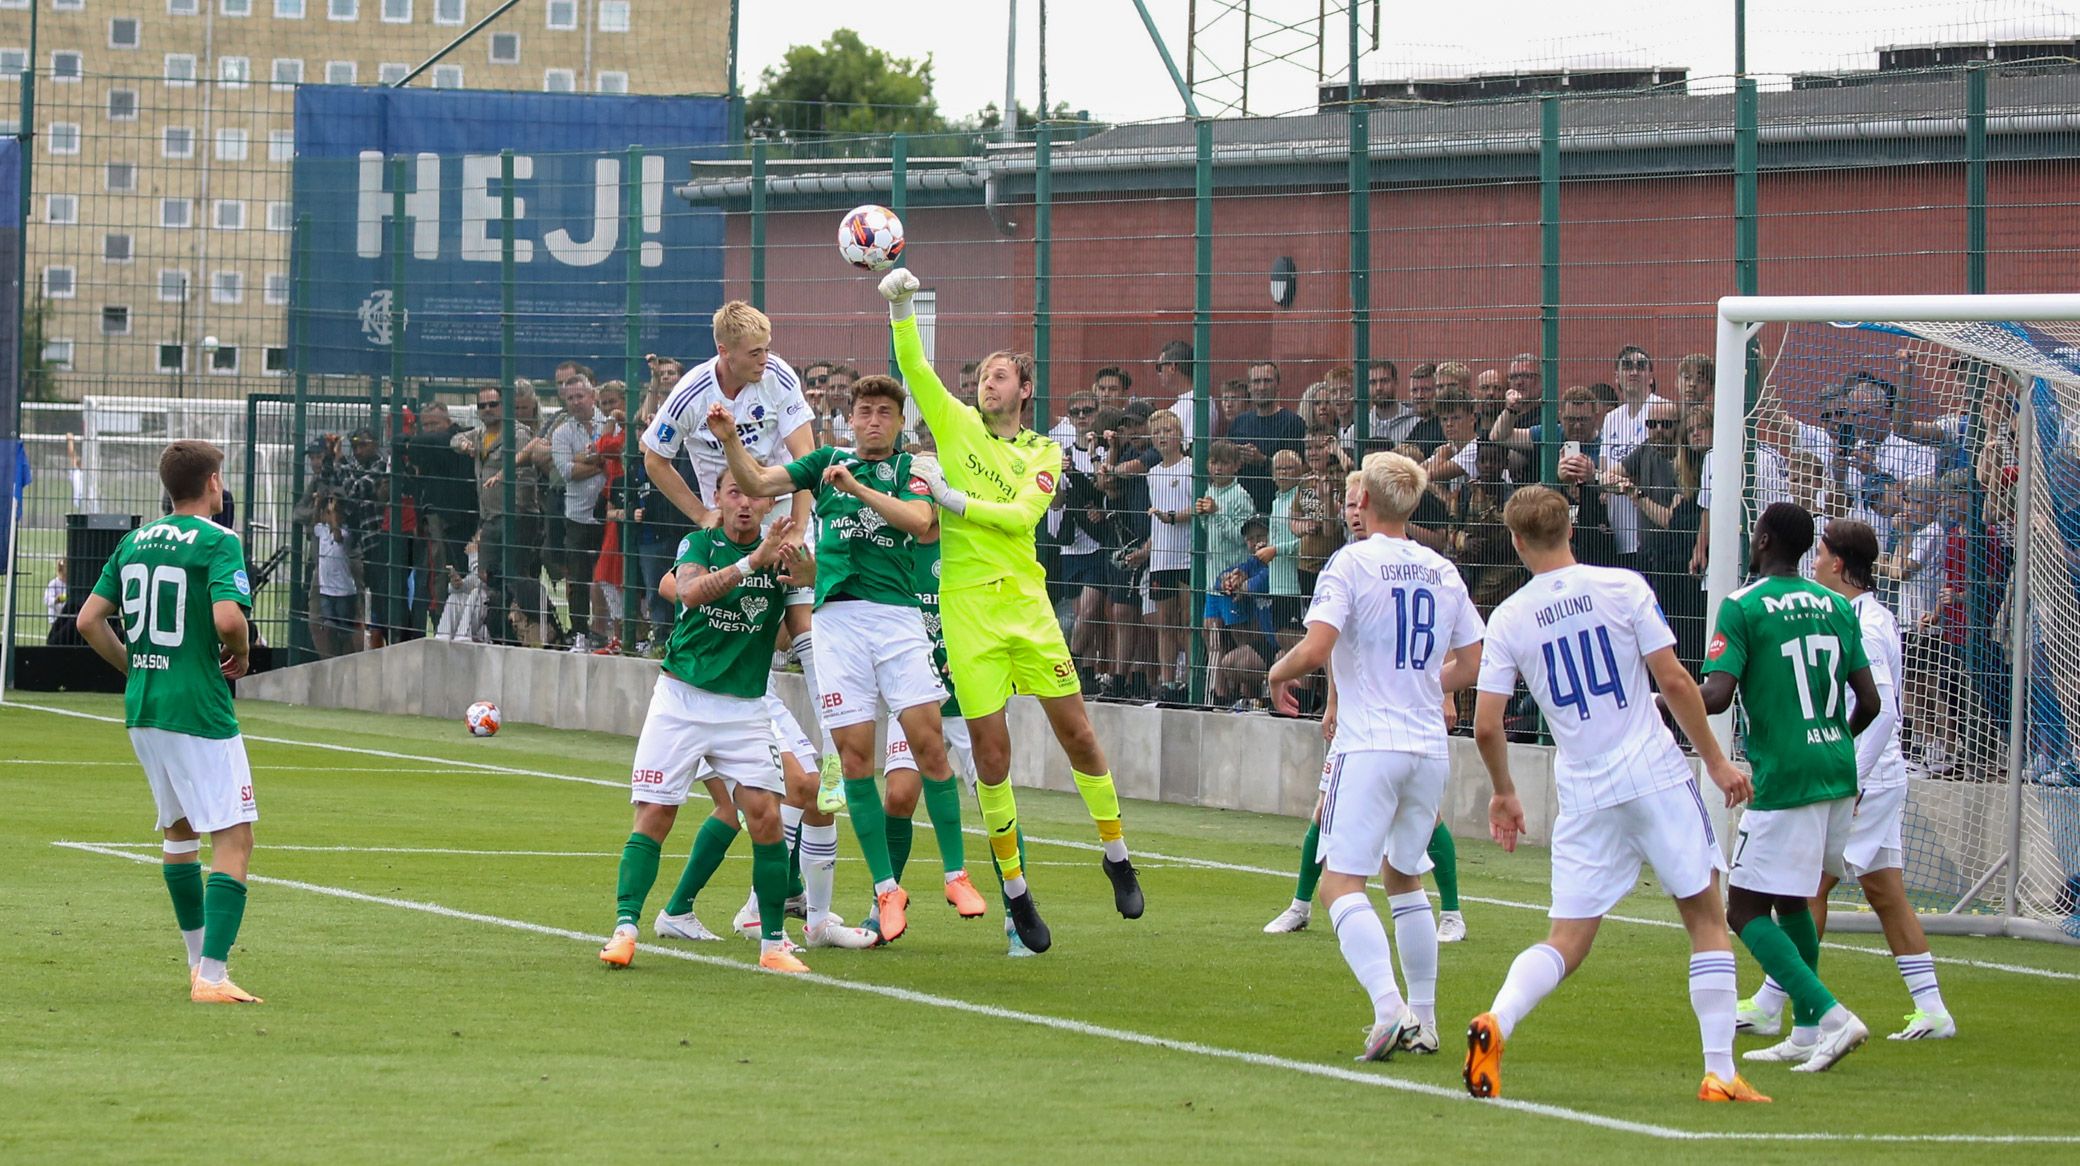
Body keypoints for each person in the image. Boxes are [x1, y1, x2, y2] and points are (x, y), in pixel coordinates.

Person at [1462, 486, 1767, 1103]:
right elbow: (1676, 680)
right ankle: (1720, 1073)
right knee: (1706, 918)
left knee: (1566, 939)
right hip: (1651, 770)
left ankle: (1497, 1021)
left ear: (1516, 542)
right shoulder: (1623, 586)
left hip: (1583, 783)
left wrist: (1504, 793)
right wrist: (1715, 759)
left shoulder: (1510, 616)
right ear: (1571, 527)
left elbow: (1487, 724)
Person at [882, 267, 1144, 953]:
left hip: (1027, 607)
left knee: (1078, 735)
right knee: (992, 758)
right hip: (968, 610)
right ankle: (1018, 893)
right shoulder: (957, 424)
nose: (986, 384)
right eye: (983, 376)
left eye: (1001, 376)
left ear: (1025, 390)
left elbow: (1024, 514)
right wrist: (904, 305)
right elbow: (913, 366)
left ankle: (1116, 855)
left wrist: (950, 497)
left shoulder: (1044, 449)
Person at [711, 374, 963, 945]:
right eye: (864, 411)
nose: (873, 420)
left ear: (901, 423)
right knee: (848, 768)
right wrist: (729, 440)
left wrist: (855, 488)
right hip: (837, 629)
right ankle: (864, 899)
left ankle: (972, 882)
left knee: (932, 758)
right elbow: (757, 479)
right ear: (850, 419)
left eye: (884, 413)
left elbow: (922, 522)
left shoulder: (911, 470)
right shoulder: (826, 463)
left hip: (900, 629)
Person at [1265, 451, 1484, 1061]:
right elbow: (1471, 663)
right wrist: (1420, 686)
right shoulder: (1442, 570)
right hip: (1427, 748)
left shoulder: (1351, 562)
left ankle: (1389, 1010)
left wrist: (1275, 673)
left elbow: (1317, 649)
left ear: (1363, 503)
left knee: (1339, 885)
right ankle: (1427, 1020)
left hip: (1370, 745)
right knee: (1405, 877)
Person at [1736, 519, 1956, 1042]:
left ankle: (1782, 1004)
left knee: (1806, 886)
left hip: (1863, 779)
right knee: (1885, 892)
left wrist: (1851, 779)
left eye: (1821, 556)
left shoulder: (1868, 624)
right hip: (1874, 777)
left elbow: (1880, 712)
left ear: (1837, 563)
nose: (1814, 564)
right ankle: (1933, 1009)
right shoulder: (1859, 614)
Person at [597, 481, 814, 974]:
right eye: (733, 493)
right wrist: (750, 564)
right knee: (656, 814)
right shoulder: (701, 544)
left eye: (754, 495)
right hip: (681, 699)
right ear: (719, 499)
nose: (743, 503)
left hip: (744, 706)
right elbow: (691, 592)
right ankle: (625, 930)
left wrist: (809, 583)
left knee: (765, 816)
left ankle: (774, 945)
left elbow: (788, 635)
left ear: (769, 503)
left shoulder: (786, 556)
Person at [75, 440, 262, 1004]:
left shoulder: (134, 540)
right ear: (211, 483)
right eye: (221, 478)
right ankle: (211, 975)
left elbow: (88, 620)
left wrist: (134, 667)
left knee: (180, 835)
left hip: (145, 706)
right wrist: (245, 654)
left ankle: (195, 964)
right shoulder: (219, 539)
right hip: (198, 708)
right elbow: (228, 619)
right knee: (235, 838)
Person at [1698, 502, 1881, 1074]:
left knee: (1743, 907)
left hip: (1785, 778)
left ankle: (1831, 1015)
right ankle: (1804, 1030)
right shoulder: (1836, 604)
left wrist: (1654, 701)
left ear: (1764, 539)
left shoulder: (1742, 605)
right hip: (1837, 769)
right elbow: (1869, 703)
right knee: (1793, 899)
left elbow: (1717, 696)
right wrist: (1830, 740)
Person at [641, 302, 831, 802]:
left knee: (805, 632)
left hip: (784, 517)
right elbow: (654, 458)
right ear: (723, 352)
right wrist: (701, 515)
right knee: (742, 631)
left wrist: (798, 530)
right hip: (729, 529)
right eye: (754, 352)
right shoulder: (690, 394)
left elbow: (805, 459)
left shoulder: (779, 377)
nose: (765, 359)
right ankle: (760, 744)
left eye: (767, 348)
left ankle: (834, 765)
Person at [1227, 361, 1308, 511]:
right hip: (1239, 511)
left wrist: (1262, 461)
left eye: (1267, 381)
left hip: (1280, 509)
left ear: (1278, 385)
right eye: (1256, 381)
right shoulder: (1239, 422)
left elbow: (1303, 471)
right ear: (1249, 388)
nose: (1262, 387)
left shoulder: (1294, 423)